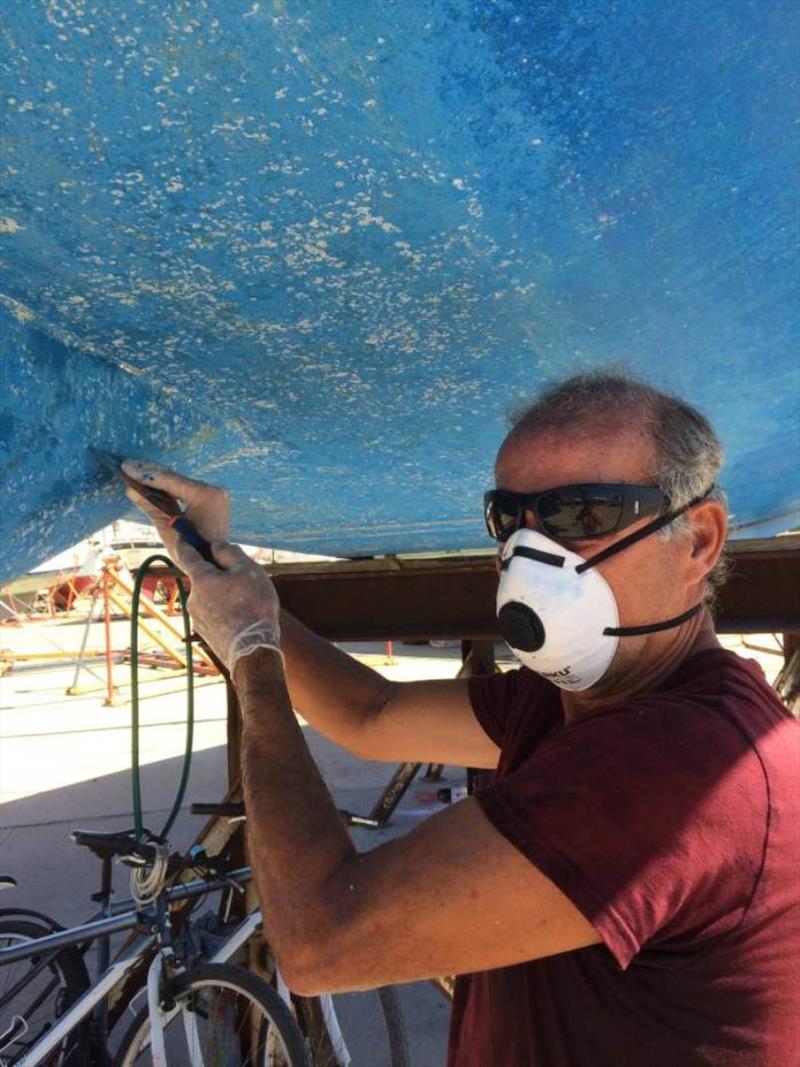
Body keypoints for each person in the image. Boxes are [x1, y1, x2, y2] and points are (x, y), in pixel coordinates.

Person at [123, 372, 799, 1067]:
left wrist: (254, 655)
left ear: (699, 541)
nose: (533, 556)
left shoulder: (687, 760)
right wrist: (230, 580)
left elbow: (324, 938)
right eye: (511, 519)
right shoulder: (570, 703)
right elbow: (371, 712)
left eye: (583, 516)